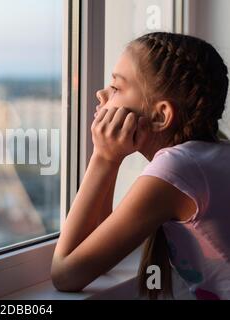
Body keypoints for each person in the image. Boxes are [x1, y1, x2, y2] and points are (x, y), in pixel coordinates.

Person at [51, 32, 230, 300]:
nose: (101, 94)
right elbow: (102, 242)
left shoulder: (178, 169)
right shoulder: (211, 154)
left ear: (160, 116)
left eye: (116, 87)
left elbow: (66, 273)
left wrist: (104, 157)